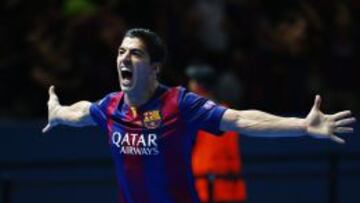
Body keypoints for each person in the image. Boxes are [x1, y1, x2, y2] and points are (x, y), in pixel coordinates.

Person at [43, 28, 356, 203]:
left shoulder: (179, 104)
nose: (125, 57)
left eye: (135, 52)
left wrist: (302, 125)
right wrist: (57, 113)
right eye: (121, 52)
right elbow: (81, 112)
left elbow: (241, 120)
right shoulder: (110, 107)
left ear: (153, 68)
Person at [187, 64, 246, 203]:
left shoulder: (192, 114)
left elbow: (232, 155)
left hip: (213, 186)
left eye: (191, 81)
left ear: (197, 86)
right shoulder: (227, 113)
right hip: (206, 185)